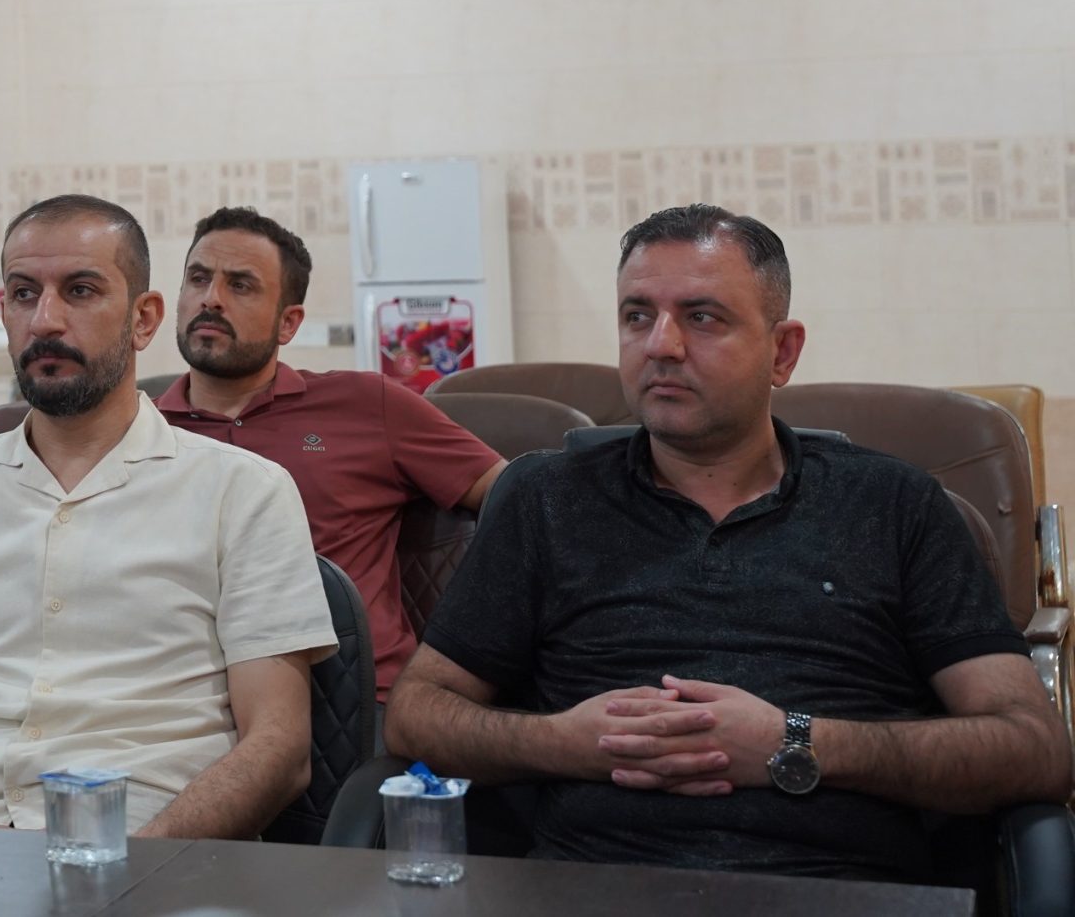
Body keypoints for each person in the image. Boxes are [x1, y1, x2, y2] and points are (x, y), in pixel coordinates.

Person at [386, 205, 1073, 880]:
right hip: (592, 885)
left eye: (702, 317)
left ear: (783, 351)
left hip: (837, 888)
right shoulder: (547, 499)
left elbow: (1032, 749)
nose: (661, 345)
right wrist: (567, 742)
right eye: (637, 316)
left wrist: (794, 742)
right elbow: (417, 715)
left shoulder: (895, 505)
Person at [0, 195, 334, 836]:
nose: (45, 320)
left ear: (144, 319)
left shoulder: (244, 492)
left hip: (167, 854)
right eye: (23, 294)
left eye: (80, 291)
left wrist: (133, 864)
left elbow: (279, 745)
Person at [155, 206, 502, 698]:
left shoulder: (366, 403)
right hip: (193, 706)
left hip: (359, 703)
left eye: (241, 285)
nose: (210, 298)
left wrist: (477, 653)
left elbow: (515, 496)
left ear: (288, 323)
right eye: (198, 278)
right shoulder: (140, 431)